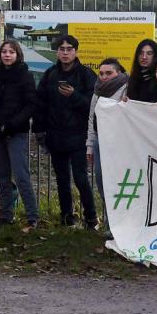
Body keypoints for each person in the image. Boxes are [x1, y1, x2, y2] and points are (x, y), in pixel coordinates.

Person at [33, 34, 98, 228]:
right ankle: (66, 217)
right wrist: (39, 129)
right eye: (61, 49)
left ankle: (91, 218)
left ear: (76, 51)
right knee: (62, 180)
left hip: (79, 136)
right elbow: (40, 103)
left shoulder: (86, 75)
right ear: (57, 52)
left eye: (69, 49)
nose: (65, 53)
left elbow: (93, 105)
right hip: (56, 135)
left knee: (81, 178)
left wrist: (74, 95)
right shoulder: (50, 74)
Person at [0, 39, 39, 229]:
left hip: (15, 132)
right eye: (4, 51)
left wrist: (11, 125)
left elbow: (31, 105)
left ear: (17, 54)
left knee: (21, 175)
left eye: (11, 52)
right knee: (1, 174)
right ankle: (6, 213)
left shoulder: (25, 76)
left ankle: (32, 216)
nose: (7, 55)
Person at [87, 57, 128, 233]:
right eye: (101, 73)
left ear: (118, 73)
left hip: (120, 143)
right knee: (103, 183)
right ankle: (111, 224)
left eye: (109, 73)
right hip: (99, 140)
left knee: (120, 185)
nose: (104, 77)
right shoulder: (97, 91)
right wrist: (89, 145)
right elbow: (91, 118)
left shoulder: (127, 89)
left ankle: (123, 226)